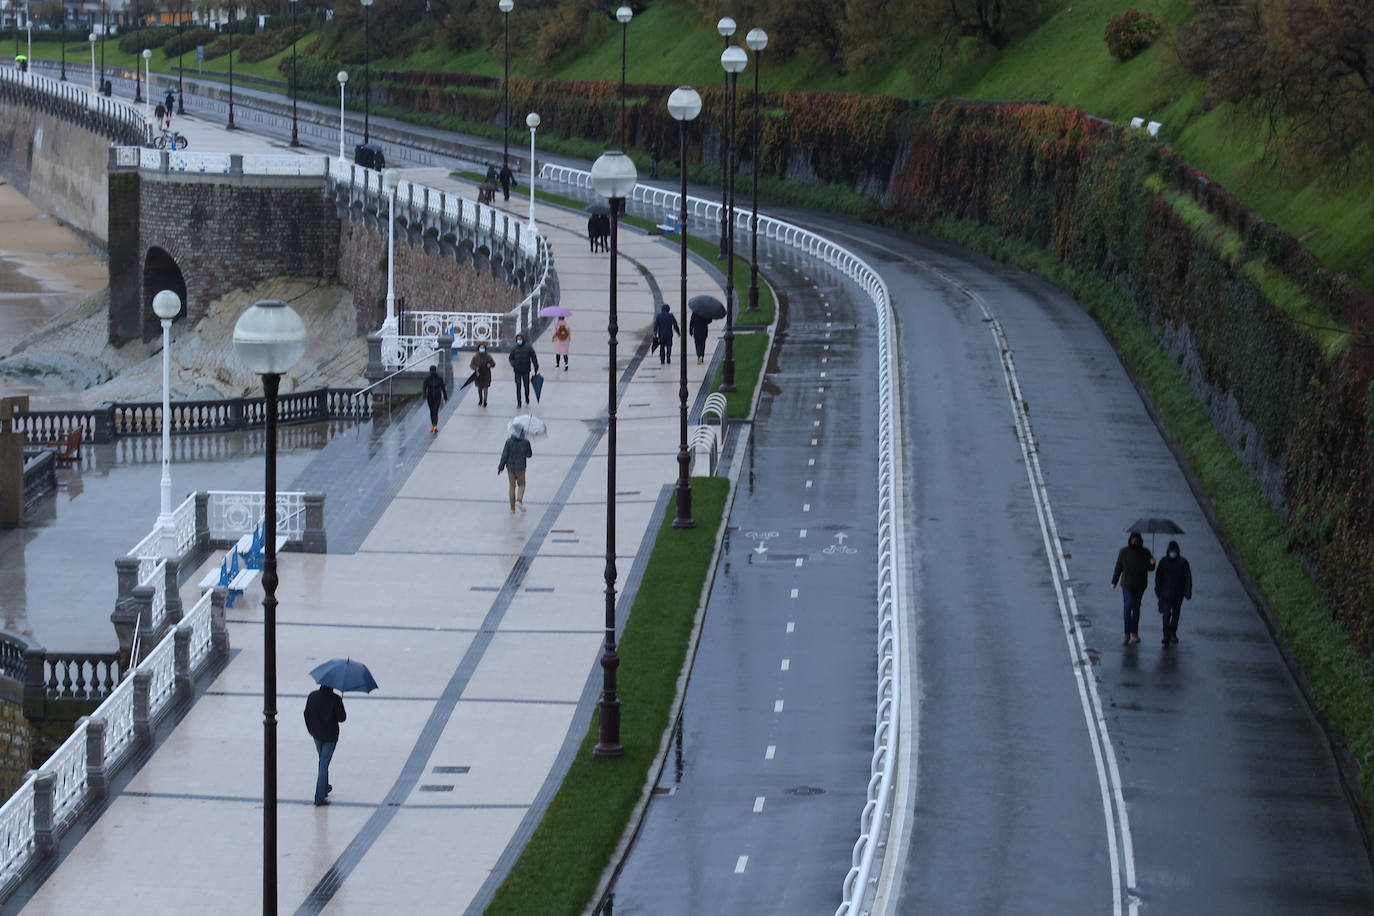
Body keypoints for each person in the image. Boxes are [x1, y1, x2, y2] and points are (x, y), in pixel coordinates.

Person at [304, 684, 347, 807]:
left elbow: (306, 713)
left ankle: (324, 787)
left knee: (322, 761)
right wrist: (339, 704)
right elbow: (342, 718)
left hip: (316, 734)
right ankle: (319, 796)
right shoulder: (335, 699)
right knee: (323, 764)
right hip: (330, 737)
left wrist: (311, 730)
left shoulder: (312, 696)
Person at [1111, 531, 1155, 645]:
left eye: (1137, 539)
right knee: (1127, 607)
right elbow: (1119, 566)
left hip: (1140, 585)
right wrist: (1114, 581)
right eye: (1133, 539)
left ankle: (1134, 632)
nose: (1135, 541)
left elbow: (1150, 568)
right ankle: (1127, 634)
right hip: (1127, 585)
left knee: (1136, 608)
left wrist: (1153, 563)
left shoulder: (1145, 552)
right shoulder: (1124, 552)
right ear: (1130, 540)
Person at [1154, 540, 1193, 646]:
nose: (1173, 553)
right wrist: (1158, 590)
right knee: (1166, 616)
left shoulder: (1183, 563)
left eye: (1174, 551)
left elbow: (1188, 578)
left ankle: (1172, 633)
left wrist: (1187, 592)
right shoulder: (1163, 562)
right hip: (1165, 594)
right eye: (1171, 551)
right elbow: (1158, 577)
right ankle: (1166, 635)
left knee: (1175, 615)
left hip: (1178, 594)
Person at [498, 424, 533, 513]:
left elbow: (504, 455)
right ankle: (519, 500)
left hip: (510, 467)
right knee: (522, 484)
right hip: (521, 467)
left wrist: (501, 467)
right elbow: (529, 455)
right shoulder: (525, 442)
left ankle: (512, 507)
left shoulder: (509, 441)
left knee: (512, 486)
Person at [508, 332, 539, 408]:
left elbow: (533, 357)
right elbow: (511, 358)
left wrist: (536, 367)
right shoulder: (514, 348)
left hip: (526, 370)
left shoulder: (528, 347)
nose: (519, 340)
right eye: (518, 339)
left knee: (526, 385)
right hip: (517, 370)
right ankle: (519, 402)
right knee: (518, 386)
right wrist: (513, 364)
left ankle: (527, 397)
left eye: (520, 339)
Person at [422, 364, 447, 433]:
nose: (432, 372)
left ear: (435, 371)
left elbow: (443, 388)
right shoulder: (427, 379)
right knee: (431, 411)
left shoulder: (439, 379)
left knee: (435, 411)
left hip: (437, 397)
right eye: (431, 371)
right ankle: (433, 425)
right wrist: (424, 396)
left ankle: (435, 426)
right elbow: (424, 388)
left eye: (433, 371)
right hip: (430, 397)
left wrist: (445, 396)